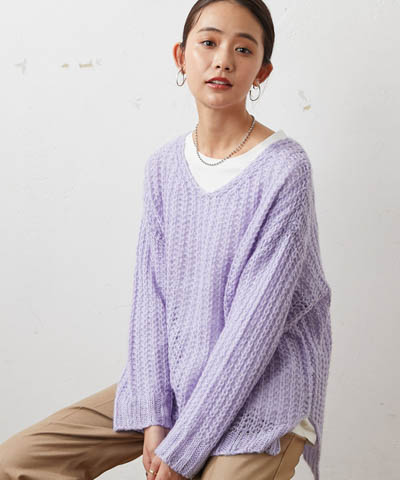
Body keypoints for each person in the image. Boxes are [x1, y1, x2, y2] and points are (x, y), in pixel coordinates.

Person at [0, 1, 332, 479]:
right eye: (209, 42)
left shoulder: (284, 170)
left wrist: (181, 451)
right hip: (176, 383)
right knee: (15, 463)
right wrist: (155, 418)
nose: (223, 60)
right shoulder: (164, 168)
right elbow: (151, 302)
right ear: (181, 57)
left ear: (263, 71)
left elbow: (252, 336)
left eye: (244, 49)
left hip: (262, 393)